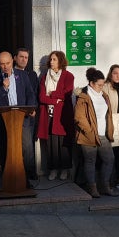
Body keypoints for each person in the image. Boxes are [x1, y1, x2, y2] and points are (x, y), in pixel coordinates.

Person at [0, 51, 37, 185]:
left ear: (12, 62)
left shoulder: (22, 75)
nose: (5, 67)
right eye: (2, 64)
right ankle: (7, 180)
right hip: (4, 121)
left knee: (26, 148)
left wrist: (32, 108)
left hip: (22, 117)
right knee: (6, 149)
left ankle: (25, 180)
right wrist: (3, 87)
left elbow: (30, 93)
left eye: (7, 63)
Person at [74, 68, 116, 198]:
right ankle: (92, 187)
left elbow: (107, 114)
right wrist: (90, 132)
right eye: (99, 85)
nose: (101, 87)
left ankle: (105, 185)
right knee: (90, 161)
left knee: (109, 159)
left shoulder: (104, 95)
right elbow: (79, 117)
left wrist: (110, 130)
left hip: (103, 135)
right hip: (88, 136)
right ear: (92, 83)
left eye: (103, 84)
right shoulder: (83, 96)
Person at [37, 51, 74, 181]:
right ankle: (53, 169)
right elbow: (42, 97)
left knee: (63, 144)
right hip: (49, 115)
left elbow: (67, 94)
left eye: (54, 59)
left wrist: (51, 94)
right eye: (50, 59)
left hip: (63, 115)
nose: (51, 62)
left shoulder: (68, 76)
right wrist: (55, 99)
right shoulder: (44, 77)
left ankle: (64, 170)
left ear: (60, 61)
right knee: (51, 144)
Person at [14, 48, 38, 180]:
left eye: (26, 57)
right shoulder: (11, 73)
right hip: (13, 116)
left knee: (28, 146)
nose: (24, 59)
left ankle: (30, 173)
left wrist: (33, 108)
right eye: (21, 57)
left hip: (29, 115)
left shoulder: (32, 75)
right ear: (15, 58)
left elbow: (33, 93)